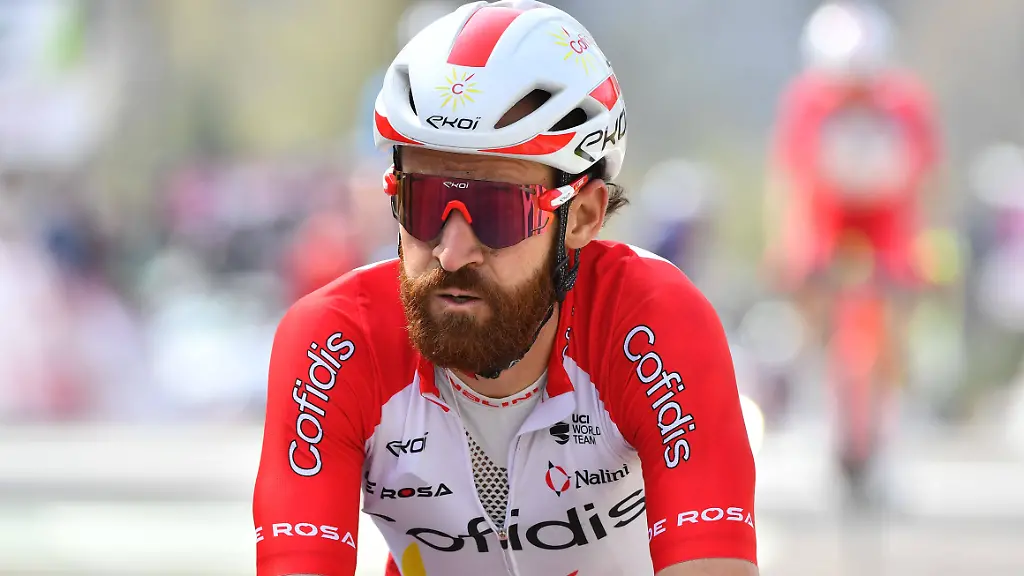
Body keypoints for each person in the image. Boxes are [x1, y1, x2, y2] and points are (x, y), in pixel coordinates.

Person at [253, 2, 757, 575]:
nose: (451, 252)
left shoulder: (651, 322)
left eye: (497, 212)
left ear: (584, 216)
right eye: (424, 202)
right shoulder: (336, 343)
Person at [764, 1, 940, 408]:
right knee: (807, 282)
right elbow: (789, 182)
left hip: (889, 216)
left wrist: (924, 247)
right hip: (827, 213)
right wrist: (785, 245)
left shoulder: (907, 105)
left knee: (898, 297)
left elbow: (927, 182)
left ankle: (893, 397)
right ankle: (812, 386)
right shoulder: (807, 103)